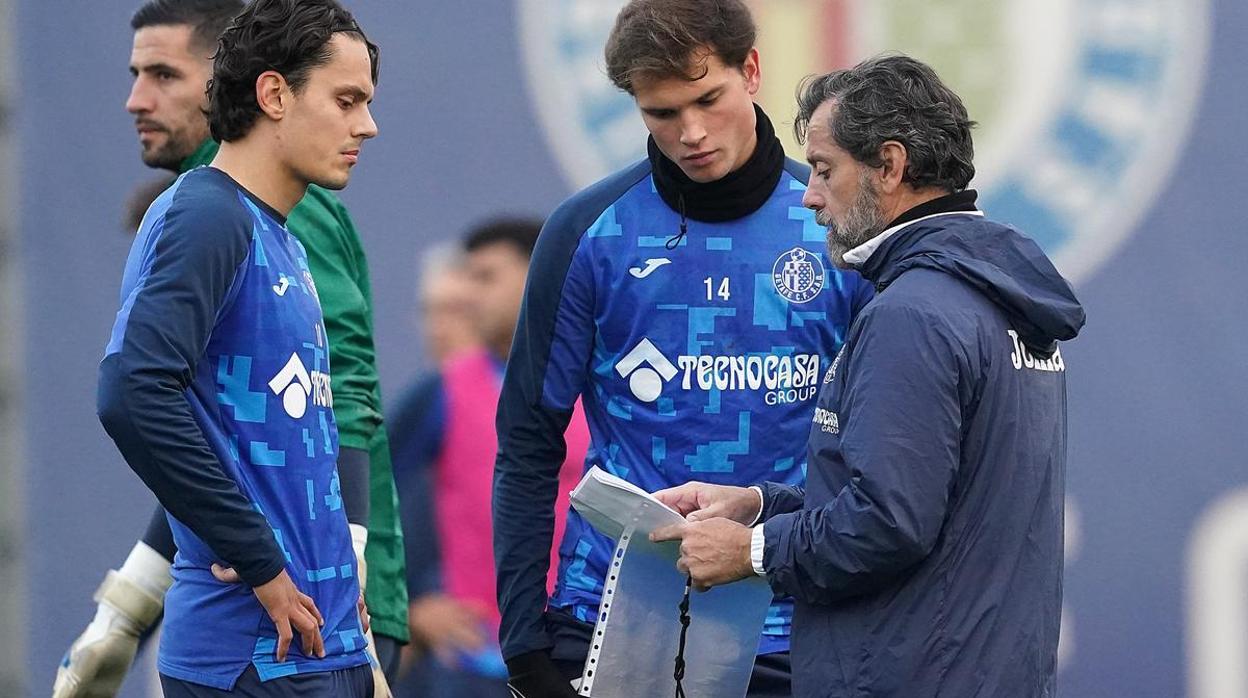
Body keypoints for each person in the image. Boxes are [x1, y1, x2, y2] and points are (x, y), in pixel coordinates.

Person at [651, 55, 1086, 697]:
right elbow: (934, 502)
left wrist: (752, 552)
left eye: (825, 169)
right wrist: (761, 506)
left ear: (889, 165)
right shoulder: (996, 297)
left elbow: (889, 522)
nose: (809, 194)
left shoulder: (914, 311)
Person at [491, 2, 873, 696]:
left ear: (751, 71)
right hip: (612, 616)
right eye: (662, 113)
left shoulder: (836, 228)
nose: (691, 132)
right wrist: (523, 641)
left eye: (708, 98)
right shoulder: (588, 233)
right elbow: (526, 441)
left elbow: (880, 452)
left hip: (791, 621)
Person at [54, 0, 408, 694]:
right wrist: (260, 563)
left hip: (319, 640)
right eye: (346, 100)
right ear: (274, 93)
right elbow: (132, 392)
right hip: (251, 650)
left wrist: (342, 563)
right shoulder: (208, 212)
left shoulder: (281, 231)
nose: (367, 125)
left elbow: (298, 428)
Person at [390, 220, 589, 698]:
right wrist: (411, 605)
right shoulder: (442, 390)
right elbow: (371, 496)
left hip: (576, 654)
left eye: (485, 278)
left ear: (539, 275)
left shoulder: (603, 383)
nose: (467, 296)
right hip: (471, 666)